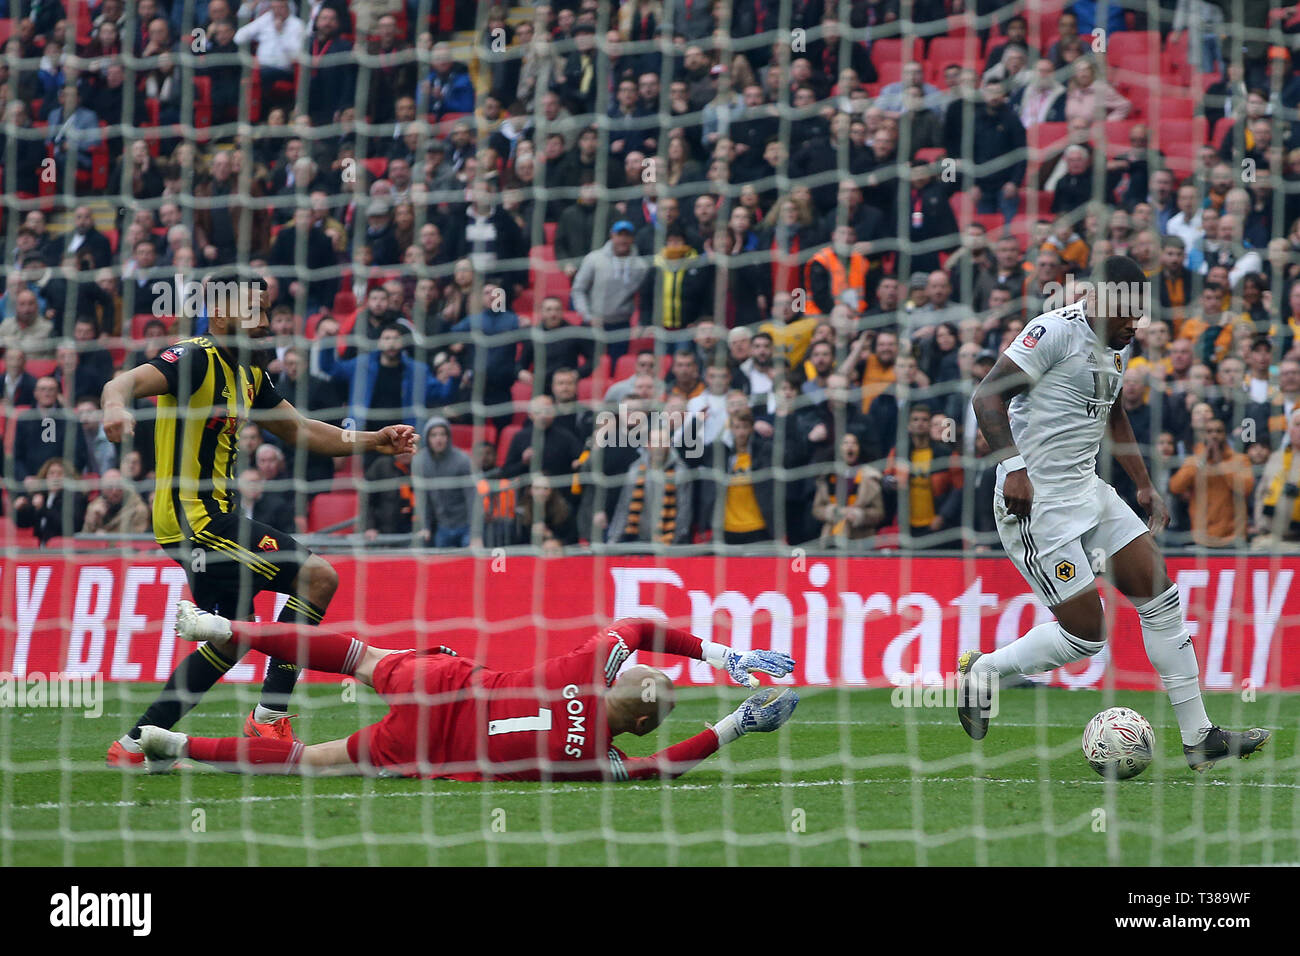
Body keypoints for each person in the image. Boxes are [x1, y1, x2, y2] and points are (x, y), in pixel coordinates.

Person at [961, 255, 1269, 771]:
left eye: (1139, 315)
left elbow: (1115, 409)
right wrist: (1014, 468)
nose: (1133, 324)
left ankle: (1200, 738)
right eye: (1125, 313)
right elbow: (986, 396)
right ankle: (985, 672)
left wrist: (1144, 484)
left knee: (1161, 595)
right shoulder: (1053, 332)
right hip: (1037, 505)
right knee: (1085, 635)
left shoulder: (1114, 347)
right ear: (1096, 298)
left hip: (1089, 491)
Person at [100, 275, 417, 768]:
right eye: (257, 312)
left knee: (232, 636)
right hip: (195, 521)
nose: (267, 323)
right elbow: (123, 381)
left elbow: (302, 430)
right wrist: (115, 407)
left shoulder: (249, 372)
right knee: (317, 576)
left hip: (218, 517)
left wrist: (376, 439)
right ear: (223, 315)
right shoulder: (194, 358)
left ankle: (137, 742)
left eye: (268, 311)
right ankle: (268, 716)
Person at [139, 604, 799, 780]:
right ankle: (177, 744)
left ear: (620, 678)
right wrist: (740, 723)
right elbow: (664, 769)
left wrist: (722, 654)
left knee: (354, 656)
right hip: (441, 746)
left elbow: (640, 623)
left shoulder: (588, 666)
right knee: (315, 758)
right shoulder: (599, 761)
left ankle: (232, 630)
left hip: (449, 683)